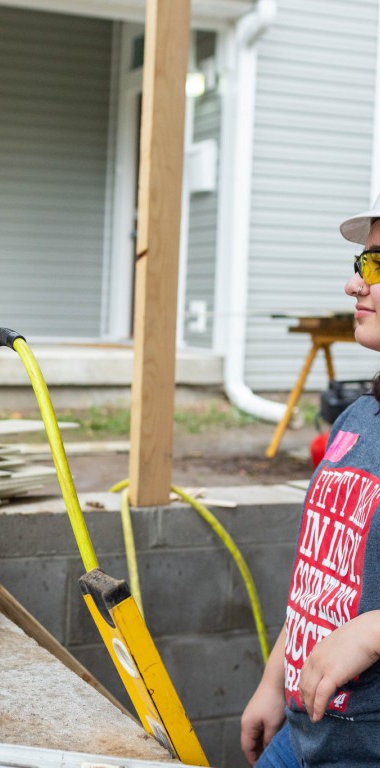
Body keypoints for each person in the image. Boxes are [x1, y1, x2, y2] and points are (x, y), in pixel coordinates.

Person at [241, 194, 380, 767]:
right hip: (301, 736)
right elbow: (323, 581)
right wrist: (276, 681)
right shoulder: (356, 421)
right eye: (360, 266)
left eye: (375, 266)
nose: (355, 286)